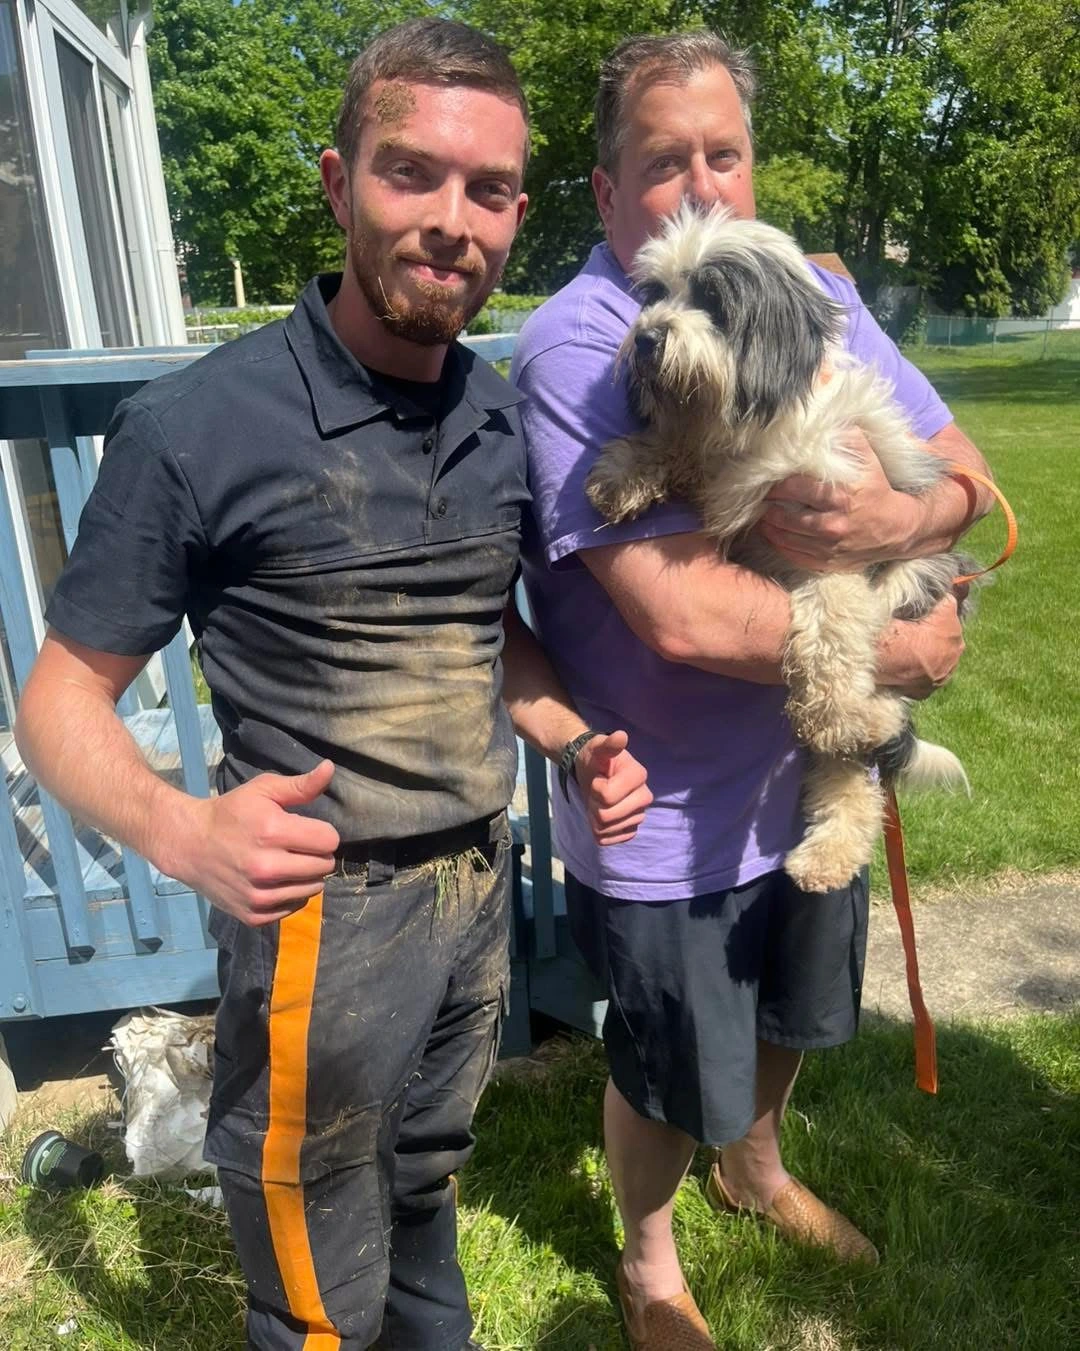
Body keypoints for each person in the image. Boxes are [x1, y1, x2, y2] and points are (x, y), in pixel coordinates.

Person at [14, 19, 652, 1351]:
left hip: (473, 887)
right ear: (336, 181)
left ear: (519, 212)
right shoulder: (200, 428)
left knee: (422, 1179)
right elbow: (59, 700)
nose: (448, 221)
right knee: (313, 1254)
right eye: (409, 173)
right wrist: (185, 828)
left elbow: (492, 636)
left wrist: (573, 734)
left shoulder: (490, 419)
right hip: (324, 913)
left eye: (485, 191)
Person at [512, 30, 994, 1350]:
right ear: (607, 191)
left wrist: (906, 511)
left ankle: (760, 1166)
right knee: (666, 1063)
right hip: (661, 804)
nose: (703, 183)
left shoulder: (804, 292)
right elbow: (676, 609)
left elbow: (969, 477)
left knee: (792, 1013)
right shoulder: (581, 345)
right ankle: (652, 1259)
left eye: (725, 153)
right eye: (664, 162)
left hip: (800, 778)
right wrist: (892, 655)